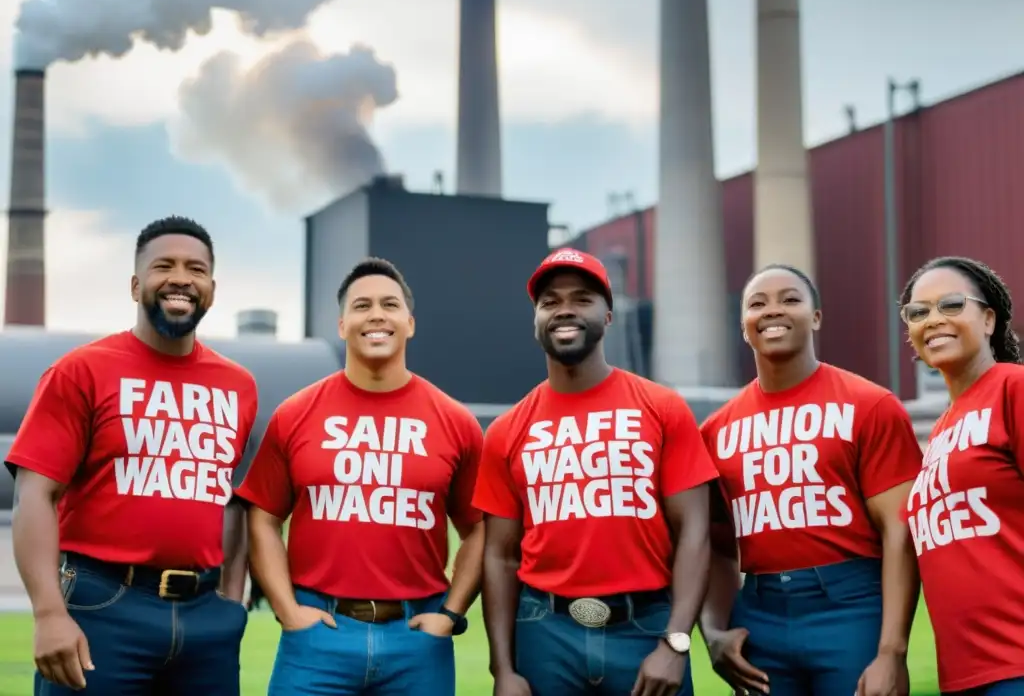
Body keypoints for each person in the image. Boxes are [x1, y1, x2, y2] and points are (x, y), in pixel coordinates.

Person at [5, 215, 259, 695]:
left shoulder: (239, 386)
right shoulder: (81, 370)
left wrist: (232, 601)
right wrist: (47, 612)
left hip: (207, 617)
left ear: (211, 287)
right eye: (164, 265)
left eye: (196, 269)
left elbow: (230, 501)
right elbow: (34, 496)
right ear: (136, 283)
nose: (181, 277)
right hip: (104, 606)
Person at [233, 257, 484, 696]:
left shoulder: (454, 421)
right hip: (317, 634)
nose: (376, 315)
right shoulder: (296, 414)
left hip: (417, 638)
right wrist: (287, 609)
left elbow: (480, 530)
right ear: (342, 323)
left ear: (410, 323)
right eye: (362, 305)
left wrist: (451, 612)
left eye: (390, 305)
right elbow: (262, 517)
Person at [473, 248, 718, 696]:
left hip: (645, 629)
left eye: (582, 298)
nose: (564, 308)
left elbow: (695, 533)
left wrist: (676, 644)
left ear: (608, 316)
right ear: (536, 322)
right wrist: (503, 671)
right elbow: (500, 556)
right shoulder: (507, 431)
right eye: (550, 301)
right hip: (546, 632)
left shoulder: (662, 409)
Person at [699, 264, 923, 696]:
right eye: (757, 304)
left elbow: (900, 529)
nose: (773, 311)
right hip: (759, 611)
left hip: (849, 604)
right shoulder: (715, 430)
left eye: (790, 299)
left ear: (816, 316)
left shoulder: (870, 404)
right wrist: (713, 630)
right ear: (744, 326)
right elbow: (715, 546)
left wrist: (892, 652)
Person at [900, 256, 1024, 696]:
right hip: (965, 673)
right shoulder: (942, 429)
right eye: (918, 312)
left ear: (988, 319)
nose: (933, 319)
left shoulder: (1014, 388)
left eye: (951, 305)